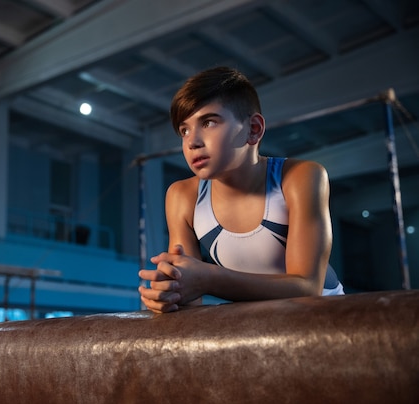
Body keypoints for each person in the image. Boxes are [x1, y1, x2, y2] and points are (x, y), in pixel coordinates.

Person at [138, 66, 344, 313]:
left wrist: (208, 278)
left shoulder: (299, 177)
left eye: (209, 122)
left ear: (253, 129)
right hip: (255, 321)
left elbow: (307, 288)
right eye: (184, 130)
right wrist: (168, 295)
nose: (192, 142)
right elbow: (189, 302)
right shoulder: (182, 196)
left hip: (325, 316)